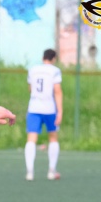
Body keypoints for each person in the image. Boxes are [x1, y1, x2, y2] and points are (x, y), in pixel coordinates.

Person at [25, 48, 63, 181]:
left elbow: (30, 88)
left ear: (43, 58)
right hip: (49, 108)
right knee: (53, 137)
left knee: (31, 138)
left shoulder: (33, 69)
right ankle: (51, 171)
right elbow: (57, 91)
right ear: (54, 59)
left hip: (34, 107)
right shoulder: (55, 70)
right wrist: (60, 111)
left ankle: (30, 172)